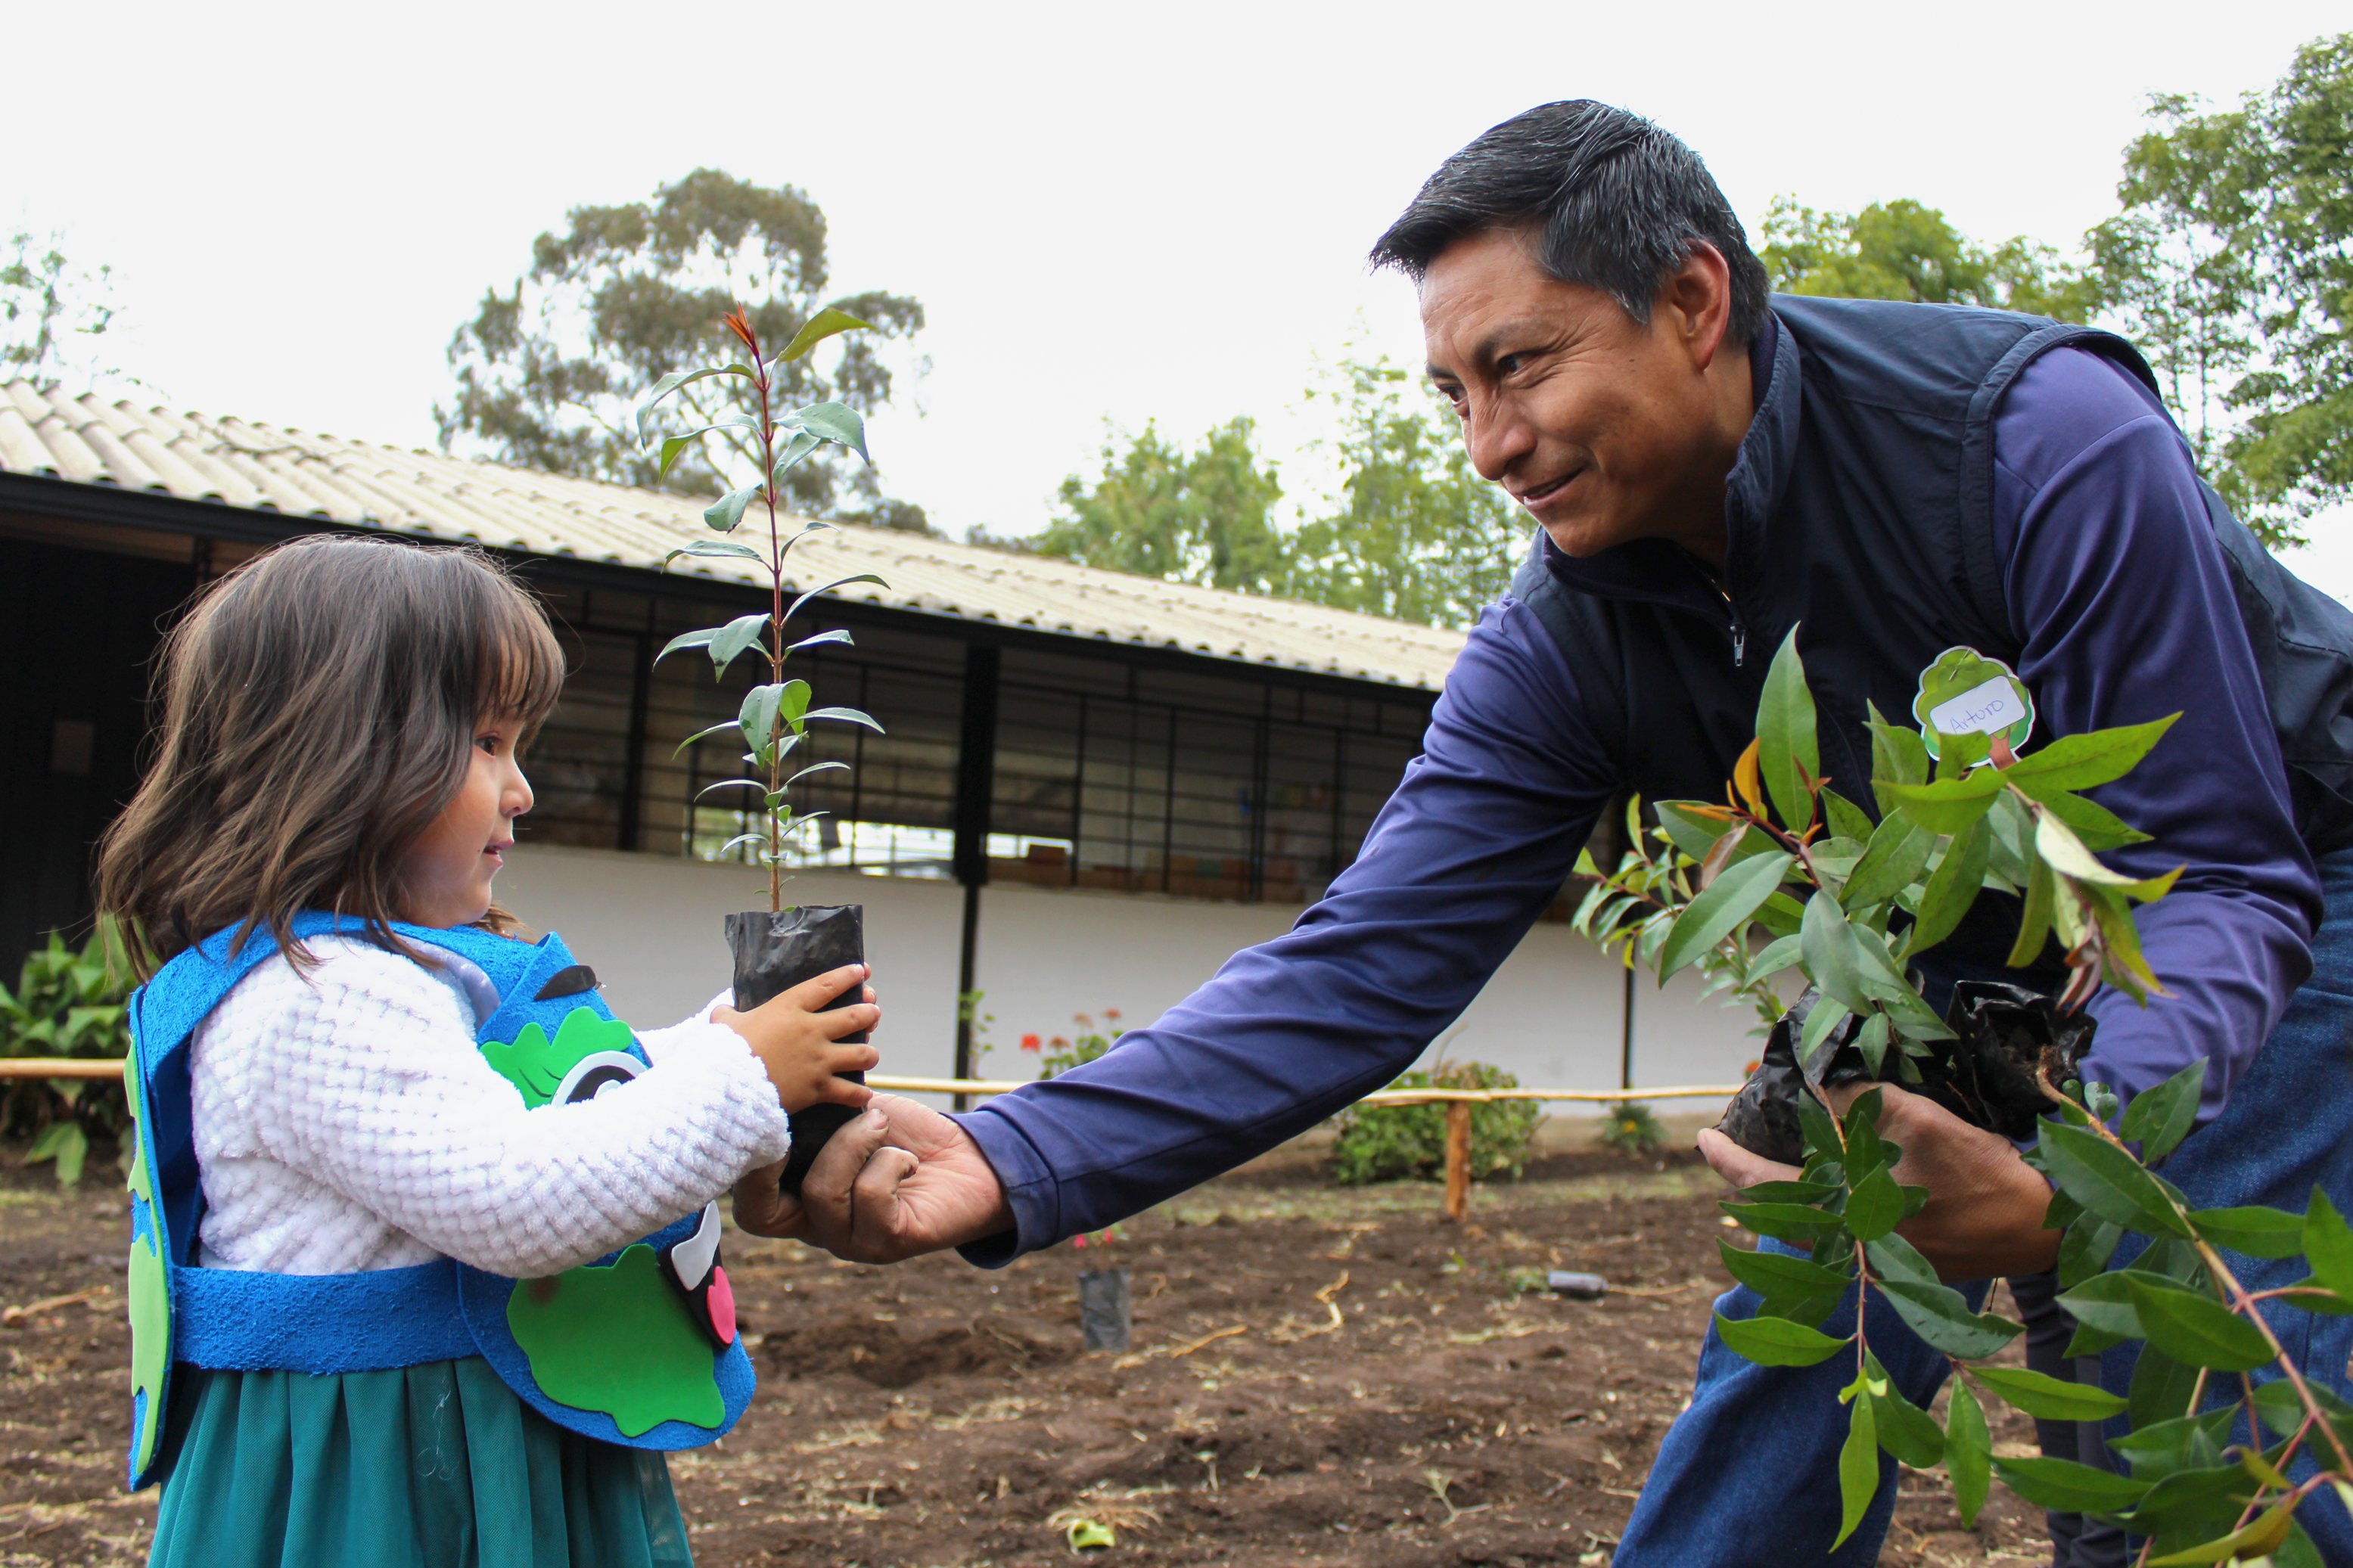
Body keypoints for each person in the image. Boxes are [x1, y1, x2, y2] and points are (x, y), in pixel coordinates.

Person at [741, 101, 2353, 1564]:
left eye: (1519, 367)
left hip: (2260, 881)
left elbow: (2217, 865)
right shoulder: (1565, 635)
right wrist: (1019, 1152)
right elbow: (1366, 963)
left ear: (1696, 302)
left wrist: (2082, 1175)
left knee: (2165, 1350)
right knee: (1806, 1310)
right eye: (1453, 391)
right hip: (1919, 934)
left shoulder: (2030, 441)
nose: (1486, 447)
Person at [98, 534, 881, 1568]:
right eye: (485, 742)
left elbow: (521, 1107)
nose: (521, 790)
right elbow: (508, 1194)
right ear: (341, 751)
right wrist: (741, 1079)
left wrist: (715, 1042)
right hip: (379, 1482)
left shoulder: (371, 972)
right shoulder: (314, 998)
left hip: (449, 1434)